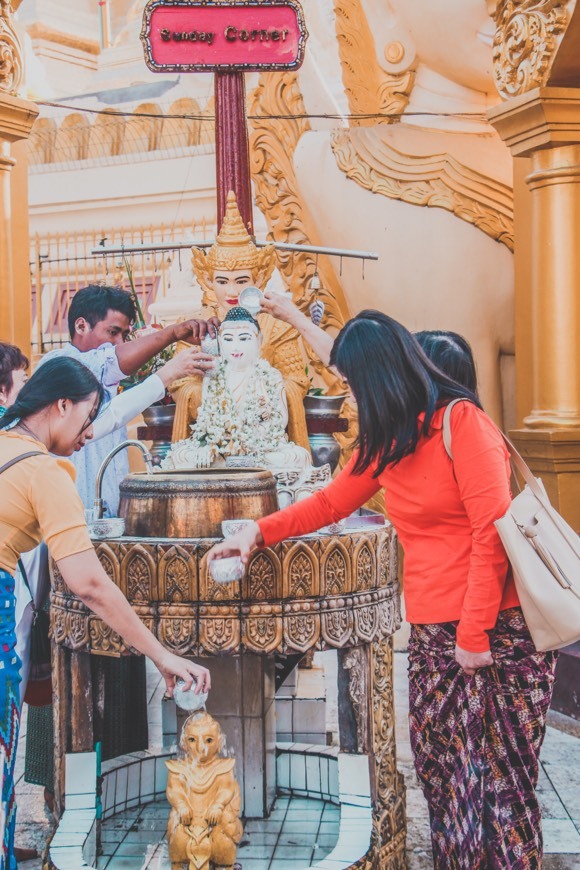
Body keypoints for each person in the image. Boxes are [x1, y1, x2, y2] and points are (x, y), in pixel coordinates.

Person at [208, 311, 557, 869]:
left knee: (499, 786)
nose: (345, 396)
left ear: (379, 378)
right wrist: (258, 531)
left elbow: (489, 533)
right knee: (441, 774)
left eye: (350, 384)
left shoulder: (460, 423)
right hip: (432, 632)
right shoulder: (388, 439)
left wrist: (473, 635)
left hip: (496, 634)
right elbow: (328, 503)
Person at [0, 357, 210, 870]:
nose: (89, 431)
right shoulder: (42, 471)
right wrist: (160, 654)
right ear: (61, 405)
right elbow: (90, 583)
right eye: (87, 415)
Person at [41, 284, 219, 516]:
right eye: (112, 332)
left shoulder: (104, 380)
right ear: (81, 325)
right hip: (71, 513)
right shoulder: (60, 363)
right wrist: (173, 337)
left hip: (108, 511)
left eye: (124, 335)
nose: (119, 343)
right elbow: (113, 375)